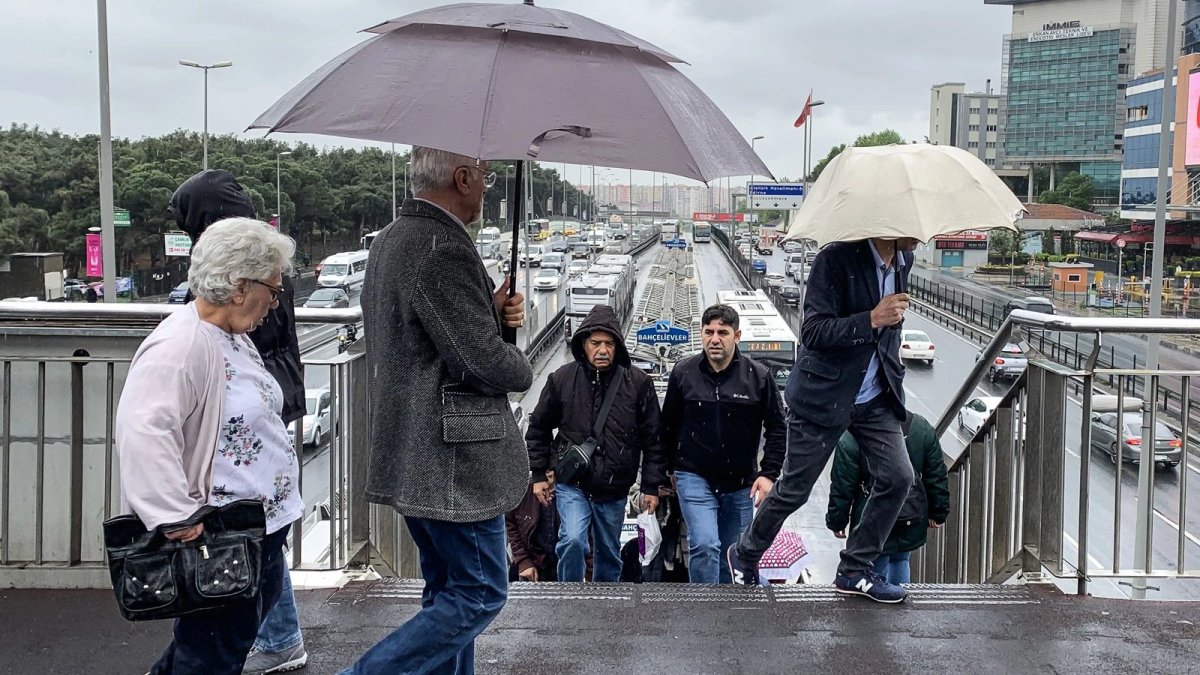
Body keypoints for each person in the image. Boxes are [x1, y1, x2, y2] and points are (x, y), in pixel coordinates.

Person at [344, 147, 531, 675]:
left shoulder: (393, 238)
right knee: (478, 593)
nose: (488, 188)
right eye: (486, 178)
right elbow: (481, 362)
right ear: (463, 176)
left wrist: (488, 311)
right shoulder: (441, 246)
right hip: (452, 462)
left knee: (447, 590)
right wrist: (520, 364)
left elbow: (425, 340)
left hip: (414, 449)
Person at [115, 218, 302, 674]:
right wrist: (177, 518)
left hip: (255, 528)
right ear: (240, 286)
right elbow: (144, 430)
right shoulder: (181, 344)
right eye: (273, 291)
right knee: (212, 653)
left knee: (212, 647)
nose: (275, 304)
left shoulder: (231, 336)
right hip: (217, 534)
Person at [168, 169, 310, 675]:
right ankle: (276, 636)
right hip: (273, 407)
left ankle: (277, 637)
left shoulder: (243, 276)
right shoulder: (264, 261)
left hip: (246, 422)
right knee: (263, 549)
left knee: (247, 554)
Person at [728, 237, 919, 604]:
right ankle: (746, 553)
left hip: (875, 397)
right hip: (824, 396)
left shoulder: (903, 261)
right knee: (796, 490)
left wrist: (893, 373)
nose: (920, 235)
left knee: (899, 476)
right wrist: (871, 319)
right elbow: (813, 332)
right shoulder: (835, 259)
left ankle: (854, 568)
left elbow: (888, 337)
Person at [526, 304, 666, 583]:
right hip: (573, 484)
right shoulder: (561, 379)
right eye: (595, 343)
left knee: (608, 553)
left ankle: (604, 605)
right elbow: (538, 427)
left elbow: (654, 439)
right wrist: (539, 474)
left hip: (614, 487)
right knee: (573, 541)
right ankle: (569, 595)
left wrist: (651, 486)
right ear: (584, 344)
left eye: (609, 344)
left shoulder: (638, 384)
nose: (602, 350)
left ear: (617, 346)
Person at [660, 303, 786, 584]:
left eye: (723, 332)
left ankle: (726, 612)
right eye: (709, 332)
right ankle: (704, 610)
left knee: (733, 555)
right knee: (704, 545)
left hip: (740, 482)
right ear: (702, 335)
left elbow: (778, 428)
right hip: (693, 475)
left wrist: (768, 474)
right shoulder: (684, 373)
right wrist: (667, 469)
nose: (714, 339)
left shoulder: (759, 377)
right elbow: (668, 426)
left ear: (737, 336)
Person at [826, 411, 950, 585]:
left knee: (872, 565)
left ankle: (876, 605)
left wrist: (837, 521)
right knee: (901, 559)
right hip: (910, 513)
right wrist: (939, 512)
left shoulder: (853, 434)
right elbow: (936, 474)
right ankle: (901, 603)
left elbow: (843, 484)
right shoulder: (920, 427)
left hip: (871, 515)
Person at [505, 471, 560, 583]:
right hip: (529, 565)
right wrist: (523, 561)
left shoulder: (570, 495)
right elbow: (511, 525)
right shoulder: (521, 489)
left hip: (562, 567)